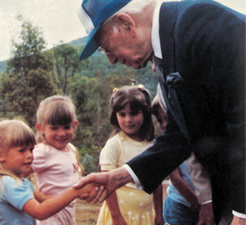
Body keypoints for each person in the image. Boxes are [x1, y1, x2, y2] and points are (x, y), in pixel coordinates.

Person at [75, 0, 245, 224]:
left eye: (106, 47)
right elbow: (180, 135)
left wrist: (241, 214)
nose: (111, 60)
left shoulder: (202, 23)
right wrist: (118, 177)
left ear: (126, 23)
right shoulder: (166, 53)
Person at [0, 119, 96, 225]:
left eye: (31, 149)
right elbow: (40, 212)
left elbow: (46, 201)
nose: (30, 155)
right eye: (22, 150)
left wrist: (77, 192)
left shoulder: (17, 182)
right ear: (0, 154)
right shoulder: (10, 184)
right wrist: (75, 191)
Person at [97, 85, 163, 225]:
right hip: (120, 218)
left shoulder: (151, 146)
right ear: (115, 115)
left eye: (133, 113)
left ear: (144, 113)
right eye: (122, 114)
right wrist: (116, 217)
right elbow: (107, 183)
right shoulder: (114, 145)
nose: (128, 119)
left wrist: (158, 214)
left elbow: (157, 183)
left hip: (145, 217)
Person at [31, 95, 82, 225]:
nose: (61, 133)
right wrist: (43, 199)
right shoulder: (43, 151)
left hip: (68, 218)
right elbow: (17, 177)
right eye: (54, 128)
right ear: (41, 128)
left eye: (66, 127)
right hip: (50, 219)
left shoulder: (71, 149)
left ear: (74, 125)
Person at [152, 94, 200, 224]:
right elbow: (175, 178)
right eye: (160, 120)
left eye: (168, 118)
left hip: (202, 204)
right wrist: (197, 202)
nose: (164, 124)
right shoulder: (167, 145)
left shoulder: (197, 139)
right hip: (178, 206)